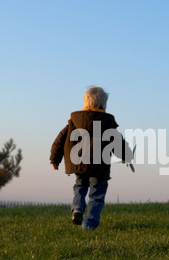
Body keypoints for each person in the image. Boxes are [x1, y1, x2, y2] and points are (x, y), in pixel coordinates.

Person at [50, 87, 133, 230]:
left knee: (80, 186)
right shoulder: (107, 121)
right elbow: (117, 141)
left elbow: (60, 139)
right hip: (99, 164)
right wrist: (126, 156)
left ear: (85, 102)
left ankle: (77, 209)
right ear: (103, 104)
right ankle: (89, 225)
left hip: (79, 163)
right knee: (97, 194)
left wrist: (54, 159)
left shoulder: (74, 120)